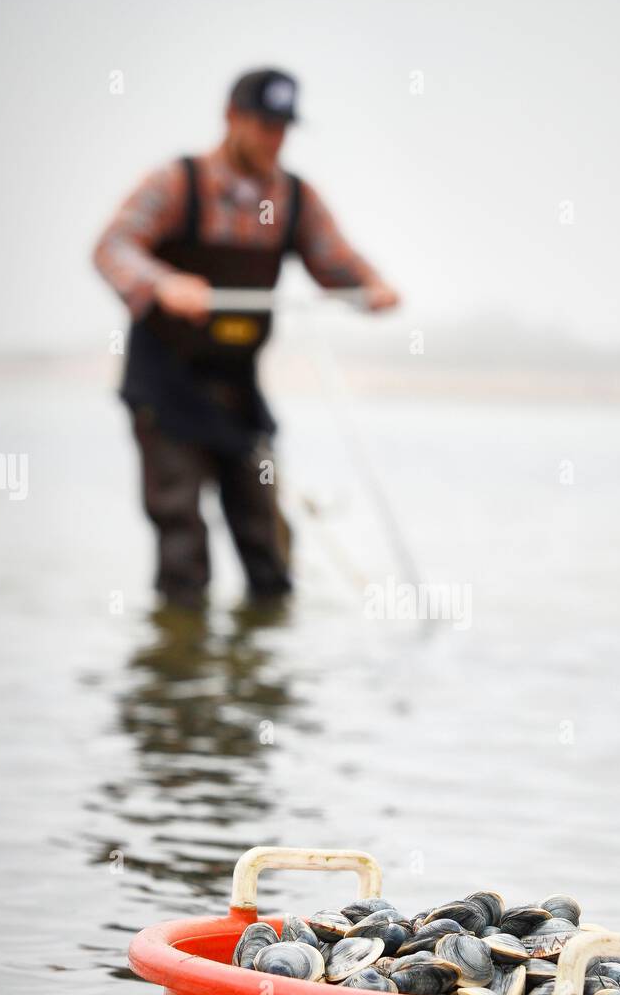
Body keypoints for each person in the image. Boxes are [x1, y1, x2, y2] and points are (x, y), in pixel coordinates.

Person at [93, 67, 399, 608]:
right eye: (264, 125)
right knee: (182, 538)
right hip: (166, 394)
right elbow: (112, 248)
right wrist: (164, 284)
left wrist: (372, 287)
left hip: (237, 394)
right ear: (232, 117)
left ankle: (267, 665)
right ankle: (180, 668)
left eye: (284, 128)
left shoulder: (294, 200)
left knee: (266, 539)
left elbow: (337, 264)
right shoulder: (176, 184)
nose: (275, 139)